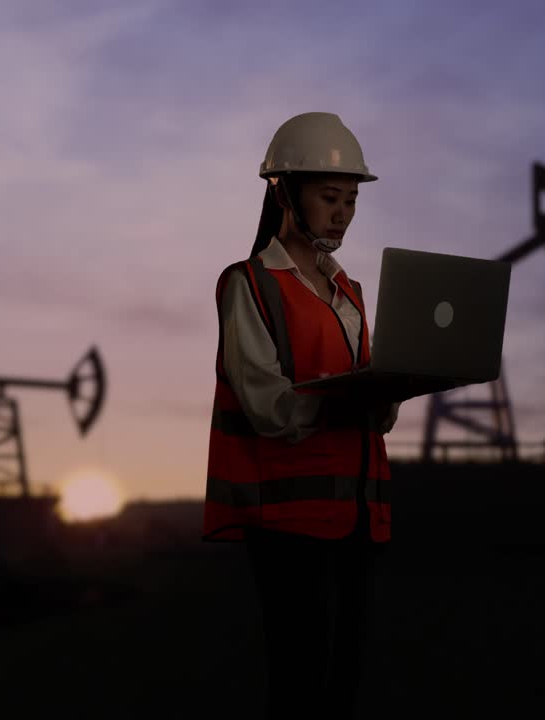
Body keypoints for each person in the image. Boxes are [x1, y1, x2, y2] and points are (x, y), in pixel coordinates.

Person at [201, 112, 399, 720]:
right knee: (300, 684)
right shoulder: (249, 286)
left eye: (351, 200)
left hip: (359, 517)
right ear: (285, 192)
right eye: (329, 197)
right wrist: (347, 394)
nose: (342, 212)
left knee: (346, 685)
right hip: (288, 523)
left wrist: (396, 383)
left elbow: (379, 419)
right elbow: (268, 410)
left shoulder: (353, 294)